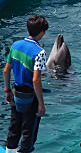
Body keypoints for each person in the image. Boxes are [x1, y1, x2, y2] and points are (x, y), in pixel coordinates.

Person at [3, 14, 49, 153]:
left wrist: (7, 91)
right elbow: (36, 80)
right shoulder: (39, 52)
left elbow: (6, 71)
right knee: (29, 131)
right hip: (30, 97)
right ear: (41, 32)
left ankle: (9, 151)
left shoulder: (15, 45)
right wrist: (41, 103)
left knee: (14, 126)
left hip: (16, 93)